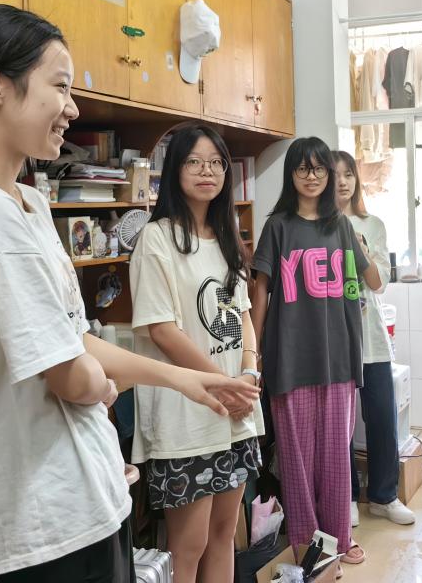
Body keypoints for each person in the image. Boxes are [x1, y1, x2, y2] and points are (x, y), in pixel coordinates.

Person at [0, 4, 258, 582]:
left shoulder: (27, 201)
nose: (72, 108)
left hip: (87, 499)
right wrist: (101, 381)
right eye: (60, 87)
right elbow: (72, 374)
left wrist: (185, 380)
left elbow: (74, 341)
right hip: (40, 524)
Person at [129, 123, 263, 583]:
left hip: (235, 412)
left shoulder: (227, 237)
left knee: (225, 535)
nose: (207, 171)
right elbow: (162, 330)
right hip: (186, 418)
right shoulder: (157, 239)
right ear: (174, 170)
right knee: (188, 546)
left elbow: (243, 316)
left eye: (216, 163)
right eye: (194, 162)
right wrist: (223, 386)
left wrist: (248, 373)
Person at [251, 137, 382, 569]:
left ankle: (339, 538)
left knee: (336, 456)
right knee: (296, 457)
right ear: (291, 174)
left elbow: (372, 282)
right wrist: (254, 351)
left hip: (338, 356)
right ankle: (310, 547)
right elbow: (261, 291)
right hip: (289, 357)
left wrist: (364, 245)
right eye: (303, 168)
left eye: (319, 168)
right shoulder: (278, 226)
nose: (312, 176)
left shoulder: (340, 225)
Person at [332, 150, 415, 528]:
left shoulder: (373, 224)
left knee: (382, 416)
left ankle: (384, 496)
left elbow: (378, 284)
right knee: (340, 424)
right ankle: (347, 497)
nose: (342, 181)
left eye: (349, 174)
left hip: (372, 338)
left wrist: (359, 246)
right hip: (334, 340)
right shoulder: (315, 227)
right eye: (335, 174)